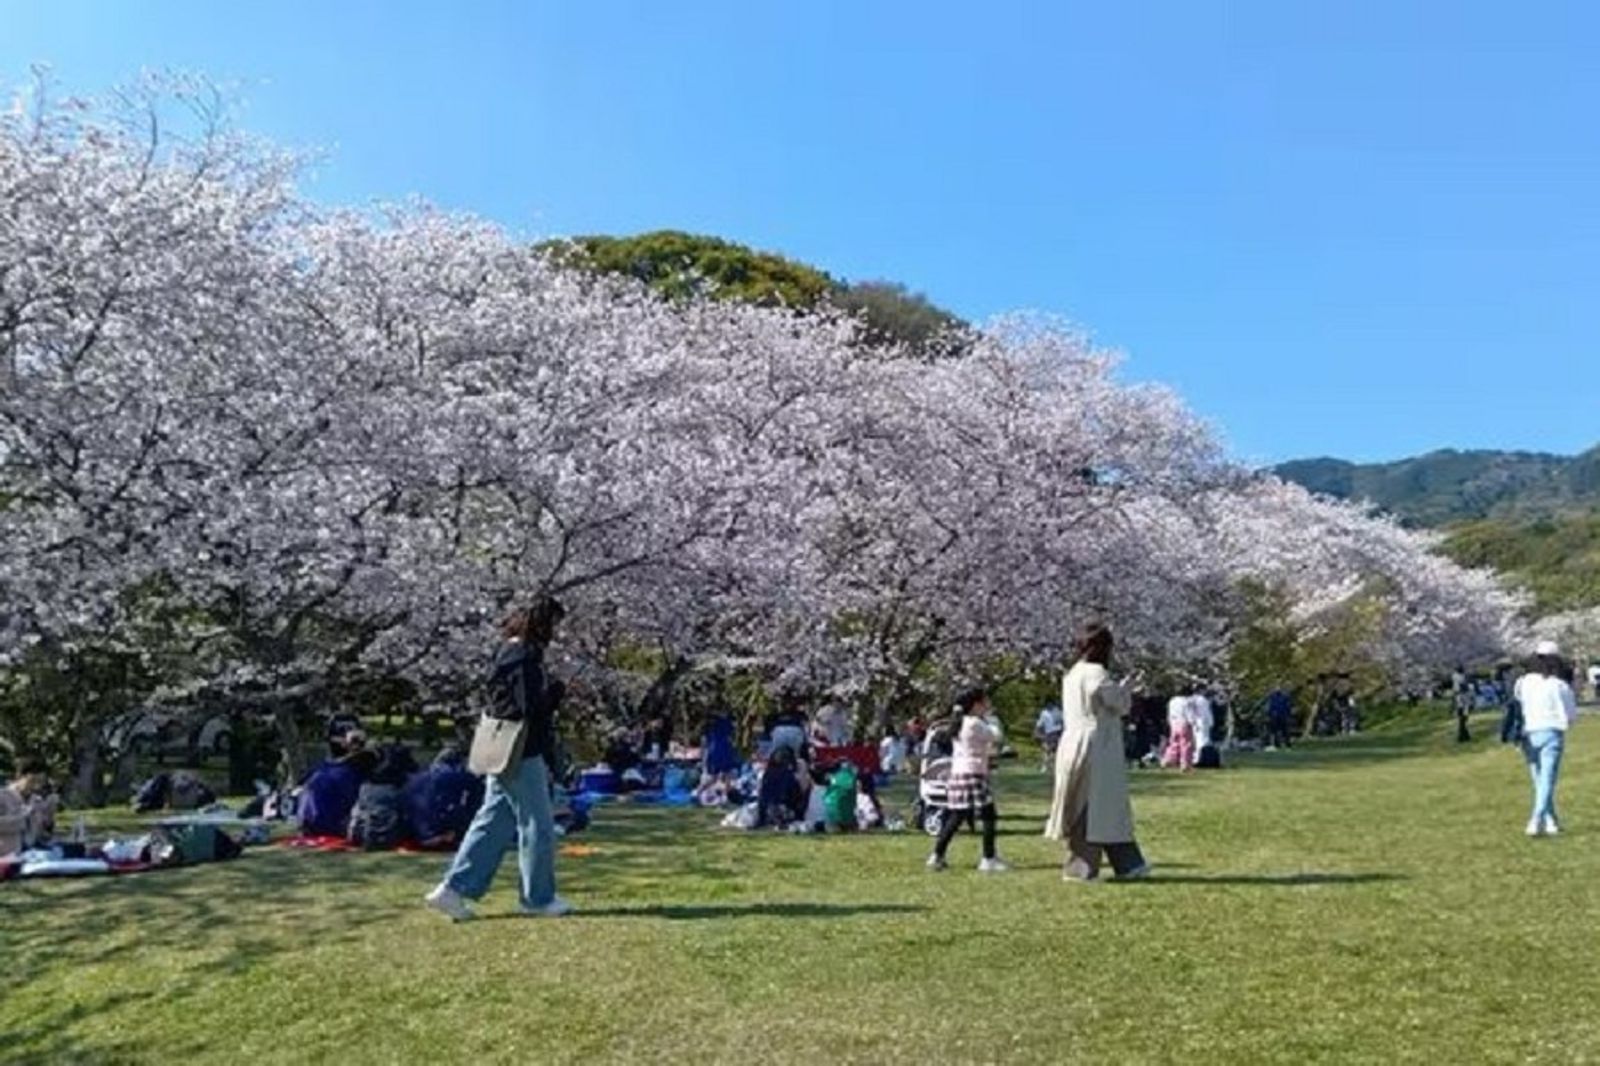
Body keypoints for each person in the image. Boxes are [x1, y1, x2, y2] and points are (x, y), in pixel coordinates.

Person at [426, 597, 572, 921]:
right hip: (522, 751)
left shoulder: (505, 653)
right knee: (537, 825)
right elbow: (528, 708)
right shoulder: (525, 658)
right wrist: (556, 694)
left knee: (492, 821)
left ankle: (452, 889)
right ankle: (537, 898)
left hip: (500, 748)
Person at [1045, 622, 1150, 882]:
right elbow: (1116, 703)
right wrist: (1127, 690)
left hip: (1074, 740)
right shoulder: (1096, 673)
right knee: (1094, 807)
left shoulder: (1073, 674)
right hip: (1096, 746)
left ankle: (1128, 863)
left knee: (1102, 805)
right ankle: (1080, 867)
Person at [926, 687, 1007, 872]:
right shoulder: (974, 724)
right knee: (988, 816)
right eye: (984, 701)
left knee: (956, 816)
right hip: (974, 772)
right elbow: (996, 736)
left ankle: (937, 855)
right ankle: (988, 858)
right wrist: (992, 719)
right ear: (976, 704)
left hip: (959, 772)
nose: (988, 704)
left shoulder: (960, 722)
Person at [1513, 641, 1578, 837]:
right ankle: (1536, 818)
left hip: (1529, 733)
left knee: (1539, 780)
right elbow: (1571, 714)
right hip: (1552, 732)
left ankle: (1551, 822)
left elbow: (1518, 705)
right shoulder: (1559, 685)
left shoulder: (1522, 682)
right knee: (1547, 780)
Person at [0, 759, 56, 857]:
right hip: (7, 854)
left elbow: (43, 835)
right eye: (33, 781)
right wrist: (23, 817)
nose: (36, 786)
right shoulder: (3, 796)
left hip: (31, 853)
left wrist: (49, 819)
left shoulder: (37, 800)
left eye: (41, 782)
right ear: (20, 777)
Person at [1162, 690, 1194, 771]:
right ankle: (1185, 764)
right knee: (1186, 744)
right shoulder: (1186, 702)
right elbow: (1189, 714)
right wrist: (1192, 722)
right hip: (1183, 723)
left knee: (1174, 743)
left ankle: (1168, 760)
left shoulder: (1172, 701)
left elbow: (1169, 713)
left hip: (1174, 723)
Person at [1034, 702, 1064, 771]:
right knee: (1047, 750)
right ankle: (1046, 765)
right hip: (1049, 733)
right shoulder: (1044, 713)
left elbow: (1061, 721)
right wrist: (1037, 730)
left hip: (1056, 732)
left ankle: (1050, 765)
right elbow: (1040, 723)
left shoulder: (1057, 711)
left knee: (1052, 751)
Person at [1187, 690, 1215, 765]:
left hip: (1198, 722)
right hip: (1202, 723)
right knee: (1202, 741)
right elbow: (1206, 714)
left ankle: (1198, 758)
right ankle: (1201, 758)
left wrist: (1191, 720)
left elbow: (1190, 711)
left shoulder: (1192, 699)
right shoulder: (1202, 700)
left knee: (1198, 741)